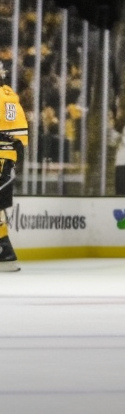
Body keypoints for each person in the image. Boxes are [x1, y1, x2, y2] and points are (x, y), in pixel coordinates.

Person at [0, 62, 28, 272]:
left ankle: (4, 248)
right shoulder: (10, 96)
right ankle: (4, 248)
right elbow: (19, 136)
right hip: (7, 157)